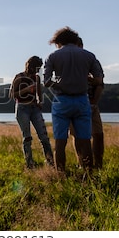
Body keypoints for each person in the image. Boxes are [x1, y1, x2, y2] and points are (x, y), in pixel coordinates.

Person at [43, 27, 104, 172]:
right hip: (83, 100)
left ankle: (60, 175)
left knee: (60, 141)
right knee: (84, 140)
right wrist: (83, 79)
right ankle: (89, 174)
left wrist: (60, 84)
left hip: (61, 101)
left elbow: (46, 81)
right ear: (75, 40)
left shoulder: (53, 56)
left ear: (59, 42)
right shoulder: (88, 56)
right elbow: (98, 80)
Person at [10, 56, 54, 169]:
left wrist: (40, 102)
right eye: (35, 68)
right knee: (27, 137)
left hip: (34, 109)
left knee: (44, 137)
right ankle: (29, 163)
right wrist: (27, 89)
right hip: (22, 108)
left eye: (38, 68)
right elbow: (12, 95)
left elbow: (39, 94)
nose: (37, 70)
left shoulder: (37, 78)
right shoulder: (19, 77)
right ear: (30, 66)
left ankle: (50, 162)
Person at [70, 37, 105, 169]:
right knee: (77, 136)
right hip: (74, 103)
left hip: (91, 103)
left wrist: (94, 102)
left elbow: (100, 83)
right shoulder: (69, 63)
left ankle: (98, 164)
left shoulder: (90, 61)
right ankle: (82, 164)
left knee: (98, 134)